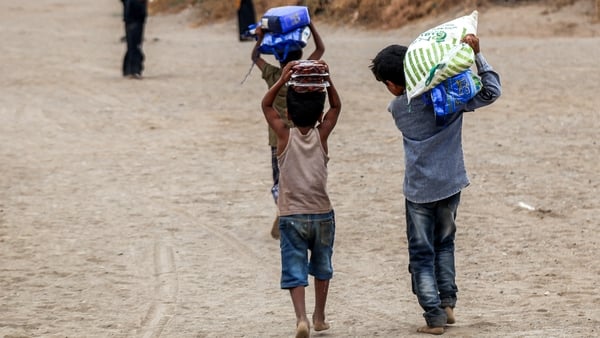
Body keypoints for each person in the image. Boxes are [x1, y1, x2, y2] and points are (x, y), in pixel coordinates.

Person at [369, 34, 502, 335]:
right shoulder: (450, 99)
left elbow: (410, 100)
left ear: (392, 84)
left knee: (420, 253)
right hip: (451, 183)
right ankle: (448, 304)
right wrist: (477, 56)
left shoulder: (397, 109)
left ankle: (434, 316)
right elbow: (492, 90)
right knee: (445, 244)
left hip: (418, 192)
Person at [261, 60, 341, 338]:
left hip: (290, 216)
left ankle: (302, 318)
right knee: (322, 266)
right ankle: (320, 317)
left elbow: (267, 106)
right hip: (322, 213)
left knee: (294, 267)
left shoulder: (283, 136)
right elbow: (336, 108)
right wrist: (327, 80)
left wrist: (282, 80)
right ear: (319, 115)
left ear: (289, 116)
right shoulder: (322, 134)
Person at [251, 22, 325, 239]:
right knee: (303, 175)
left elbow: (255, 58)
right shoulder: (304, 74)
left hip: (278, 138)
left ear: (277, 57)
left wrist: (260, 38)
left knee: (279, 179)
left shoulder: (273, 75)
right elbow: (320, 50)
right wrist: (310, 25)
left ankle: (283, 209)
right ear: (301, 53)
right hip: (303, 135)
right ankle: (303, 213)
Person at [122, 0, 147, 79]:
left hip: (136, 10)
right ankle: (133, 69)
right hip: (132, 10)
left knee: (135, 40)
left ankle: (131, 69)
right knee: (133, 40)